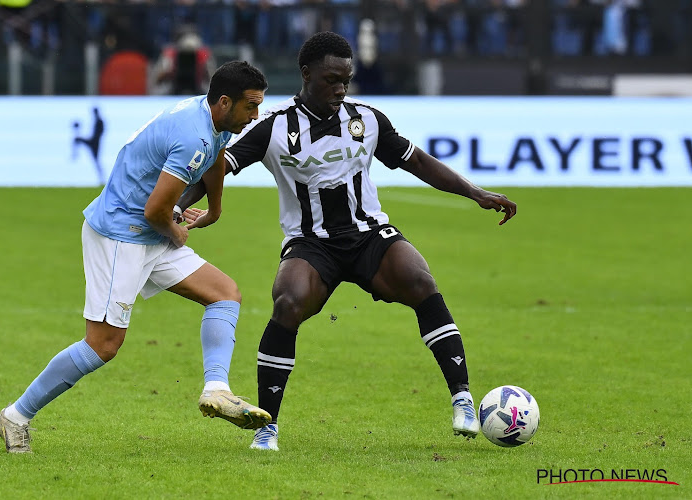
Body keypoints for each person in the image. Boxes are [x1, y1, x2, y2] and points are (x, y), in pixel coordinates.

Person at [178, 32, 517, 452]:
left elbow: (419, 162)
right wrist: (178, 206)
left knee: (420, 281)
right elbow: (218, 166)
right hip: (310, 243)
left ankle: (462, 398)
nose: (340, 88)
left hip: (369, 236)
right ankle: (268, 427)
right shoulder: (275, 127)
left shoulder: (367, 119)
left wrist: (475, 192)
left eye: (346, 79)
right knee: (287, 302)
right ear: (306, 74)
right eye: (331, 79)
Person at [0, 61, 271, 454]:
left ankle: (217, 389)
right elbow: (156, 210)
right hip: (121, 235)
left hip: (148, 232)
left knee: (224, 293)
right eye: (251, 106)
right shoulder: (192, 134)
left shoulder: (211, 117)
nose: (256, 116)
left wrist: (215, 209)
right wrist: (177, 230)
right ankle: (16, 416)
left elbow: (216, 159)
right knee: (103, 345)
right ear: (225, 102)